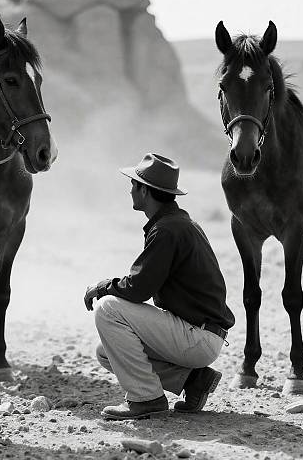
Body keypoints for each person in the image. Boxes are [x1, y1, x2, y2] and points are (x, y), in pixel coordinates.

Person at [84, 153, 235, 420]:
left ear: (145, 191)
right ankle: (193, 381)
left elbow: (138, 289)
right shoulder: (175, 223)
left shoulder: (167, 229)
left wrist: (103, 286)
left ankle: (146, 399)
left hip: (197, 337)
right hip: (200, 334)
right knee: (106, 353)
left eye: (134, 184)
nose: (130, 189)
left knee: (108, 309)